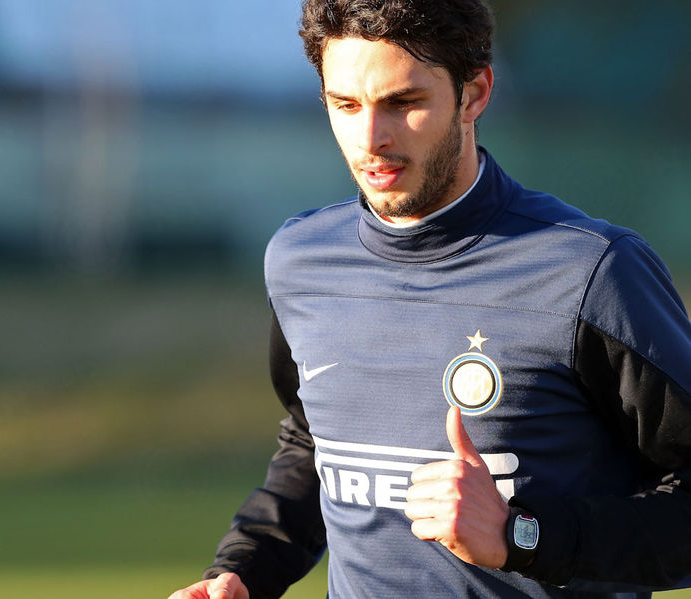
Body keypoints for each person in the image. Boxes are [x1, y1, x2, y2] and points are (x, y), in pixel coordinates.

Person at [168, 0, 691, 597]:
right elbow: (315, 442)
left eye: (403, 102)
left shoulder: (591, 272)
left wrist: (522, 535)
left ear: (474, 94)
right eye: (346, 105)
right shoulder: (300, 260)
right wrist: (244, 570)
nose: (371, 139)